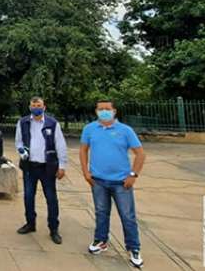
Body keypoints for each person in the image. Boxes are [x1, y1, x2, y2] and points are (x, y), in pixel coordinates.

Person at [80, 100, 146, 269]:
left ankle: (133, 248)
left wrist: (133, 174)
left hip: (121, 182)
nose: (104, 111)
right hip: (98, 180)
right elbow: (83, 150)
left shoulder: (125, 131)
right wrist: (86, 172)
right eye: (100, 109)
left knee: (127, 216)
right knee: (101, 212)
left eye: (107, 109)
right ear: (96, 111)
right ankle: (101, 240)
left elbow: (140, 154)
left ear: (114, 111)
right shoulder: (90, 129)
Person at [15, 96, 68, 244]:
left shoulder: (52, 123)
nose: (36, 107)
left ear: (44, 107)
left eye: (39, 105)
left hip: (47, 167)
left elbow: (60, 145)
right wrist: (21, 151)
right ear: (30, 107)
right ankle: (30, 223)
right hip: (30, 166)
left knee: (51, 198)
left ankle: (53, 229)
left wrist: (62, 166)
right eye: (33, 105)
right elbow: (18, 141)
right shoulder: (23, 122)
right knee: (28, 197)